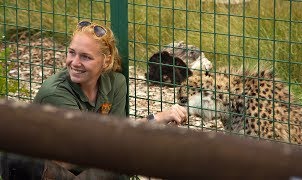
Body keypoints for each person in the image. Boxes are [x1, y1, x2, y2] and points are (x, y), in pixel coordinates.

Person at [33, 21, 187, 179]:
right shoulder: (55, 93)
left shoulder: (115, 83)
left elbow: (119, 134)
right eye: (72, 53)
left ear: (106, 61)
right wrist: (155, 119)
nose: (75, 62)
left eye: (85, 57)